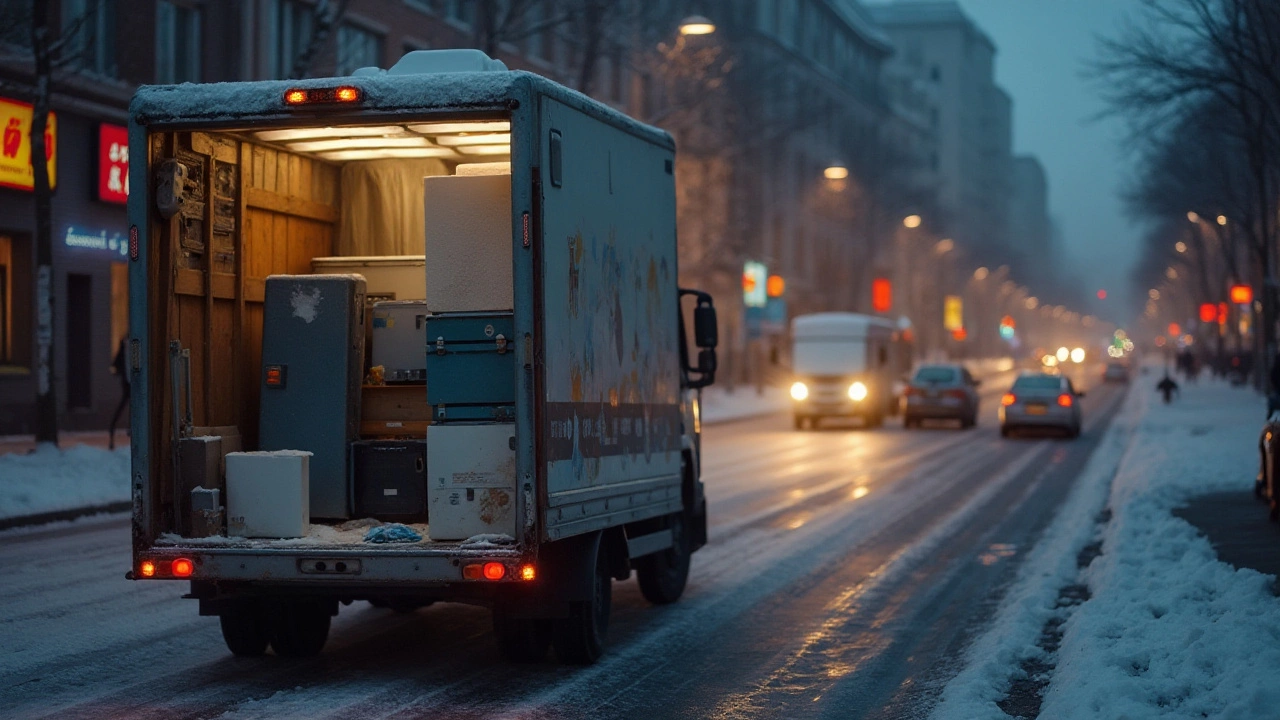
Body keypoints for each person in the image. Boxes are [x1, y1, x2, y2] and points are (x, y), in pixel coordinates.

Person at [108, 337, 129, 450]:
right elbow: (116, 364)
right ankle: (112, 431)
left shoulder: (126, 347)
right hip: (128, 384)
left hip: (128, 383)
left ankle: (112, 431)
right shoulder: (125, 348)